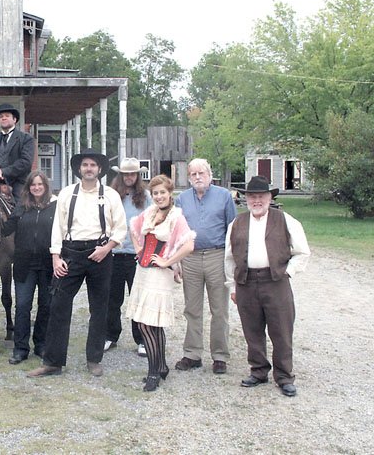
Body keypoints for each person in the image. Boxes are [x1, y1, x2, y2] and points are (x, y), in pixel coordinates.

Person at [27, 148, 127, 378]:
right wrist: (55, 256)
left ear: (99, 169)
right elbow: (57, 228)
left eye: (93, 165)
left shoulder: (110, 194)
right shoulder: (67, 194)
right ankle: (52, 362)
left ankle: (94, 359)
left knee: (99, 308)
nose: (89, 169)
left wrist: (107, 248)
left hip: (100, 253)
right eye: (85, 165)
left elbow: (121, 227)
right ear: (79, 169)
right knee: (58, 306)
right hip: (70, 253)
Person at [225, 176, 310, 397]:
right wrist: (232, 286)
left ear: (270, 197)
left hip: (276, 282)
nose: (256, 200)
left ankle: (284, 376)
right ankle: (259, 370)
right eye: (252, 196)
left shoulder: (286, 220)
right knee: (252, 330)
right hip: (246, 282)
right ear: (246, 199)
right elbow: (229, 258)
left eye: (261, 196)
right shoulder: (236, 224)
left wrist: (287, 273)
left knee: (281, 330)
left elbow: (302, 253)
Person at [126, 174, 195, 391]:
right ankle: (161, 366)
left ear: (170, 193)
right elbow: (133, 227)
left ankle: (153, 372)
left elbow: (189, 245)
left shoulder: (176, 217)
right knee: (150, 324)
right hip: (143, 271)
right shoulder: (150, 213)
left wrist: (167, 261)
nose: (158, 197)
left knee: (148, 323)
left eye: (162, 192)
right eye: (155, 193)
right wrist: (138, 249)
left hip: (159, 275)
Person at [174, 158, 237, 374]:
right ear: (189, 177)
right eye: (193, 174)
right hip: (190, 258)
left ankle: (220, 356)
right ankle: (192, 354)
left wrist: (233, 261)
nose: (198, 177)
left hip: (216, 256)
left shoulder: (224, 196)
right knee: (192, 308)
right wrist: (176, 261)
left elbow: (233, 229)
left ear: (210, 174)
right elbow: (176, 231)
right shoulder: (181, 199)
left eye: (202, 173)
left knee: (219, 309)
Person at [2, 171, 56, 365]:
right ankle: (20, 348)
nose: (36, 188)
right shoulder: (21, 208)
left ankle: (41, 344)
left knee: (46, 305)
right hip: (25, 265)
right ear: (28, 188)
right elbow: (6, 228)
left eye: (40, 184)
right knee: (23, 306)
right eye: (33, 185)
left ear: (45, 186)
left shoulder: (55, 208)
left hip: (48, 265)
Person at [104, 158, 152, 357]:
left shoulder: (146, 196)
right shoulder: (112, 195)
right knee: (112, 299)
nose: (129, 177)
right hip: (115, 253)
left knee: (138, 299)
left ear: (137, 176)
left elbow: (152, 221)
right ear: (121, 176)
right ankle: (110, 335)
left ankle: (141, 339)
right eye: (126, 174)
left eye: (133, 174)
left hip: (136, 255)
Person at [0, 103, 34, 203]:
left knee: (20, 208)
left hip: (18, 182)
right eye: (1, 116)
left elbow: (25, 162)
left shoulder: (26, 139)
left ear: (14, 119)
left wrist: (3, 172)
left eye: (7, 116)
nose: (3, 118)